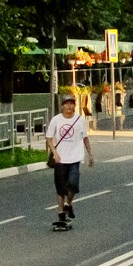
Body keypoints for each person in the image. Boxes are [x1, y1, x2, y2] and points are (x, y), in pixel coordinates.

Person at [43, 95, 94, 230]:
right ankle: (61, 213)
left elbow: (85, 138)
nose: (69, 106)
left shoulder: (80, 120)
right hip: (60, 159)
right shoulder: (56, 120)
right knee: (60, 189)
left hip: (75, 158)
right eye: (66, 104)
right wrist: (55, 153)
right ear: (62, 106)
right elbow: (49, 139)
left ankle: (69, 204)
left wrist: (90, 154)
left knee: (72, 185)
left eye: (71, 104)